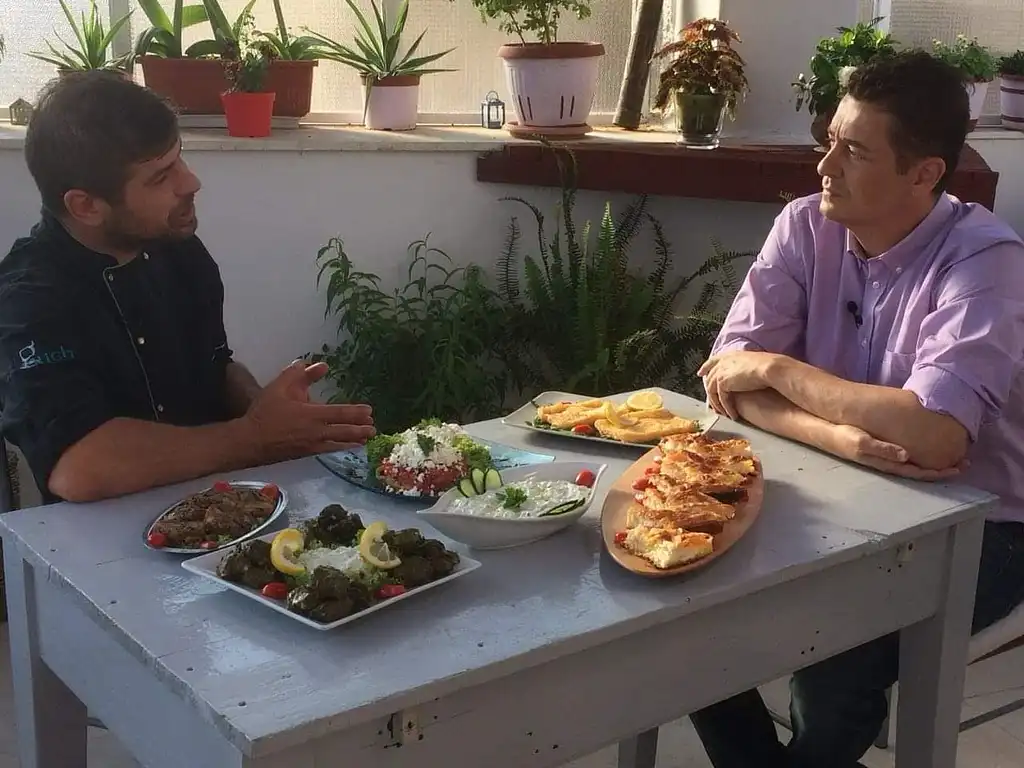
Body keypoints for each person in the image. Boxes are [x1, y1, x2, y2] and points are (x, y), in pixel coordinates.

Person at [691, 50, 1024, 767]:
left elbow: (935, 440)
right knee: (678, 598)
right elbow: (724, 380)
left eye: (855, 151)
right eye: (829, 141)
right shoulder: (806, 227)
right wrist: (839, 437)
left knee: (835, 662)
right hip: (842, 487)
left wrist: (779, 368)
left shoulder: (986, 260)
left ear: (924, 174)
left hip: (986, 521)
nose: (825, 167)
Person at [0, 70, 376, 504]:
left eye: (179, 158)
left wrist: (268, 410)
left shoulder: (176, 249)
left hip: (222, 514)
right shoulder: (29, 297)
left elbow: (215, 364)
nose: (190, 182)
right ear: (86, 206)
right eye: (160, 177)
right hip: (102, 549)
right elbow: (80, 466)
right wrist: (255, 437)